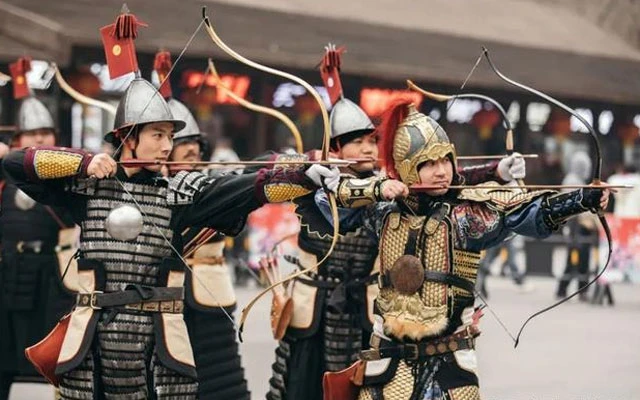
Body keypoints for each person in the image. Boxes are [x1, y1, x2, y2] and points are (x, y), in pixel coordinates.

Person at [2, 77, 333, 399]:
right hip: (92, 342)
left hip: (157, 344)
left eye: (170, 136)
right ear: (127, 137)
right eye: (157, 134)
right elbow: (15, 164)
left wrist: (301, 177)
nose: (166, 146)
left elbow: (245, 187)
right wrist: (82, 163)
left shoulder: (177, 193)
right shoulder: (86, 189)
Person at [266, 62, 526, 399]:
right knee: (303, 384)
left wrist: (495, 171)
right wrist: (306, 167)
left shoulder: (387, 187)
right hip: (314, 303)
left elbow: (440, 181)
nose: (367, 149)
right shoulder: (316, 177)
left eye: (372, 141)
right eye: (357, 142)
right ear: (335, 149)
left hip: (366, 305)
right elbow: (271, 176)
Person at [316, 99, 609, 399]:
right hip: (388, 364)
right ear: (406, 169)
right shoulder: (383, 212)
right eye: (428, 164)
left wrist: (581, 199)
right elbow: (330, 206)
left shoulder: (464, 216)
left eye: (446, 160)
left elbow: (525, 213)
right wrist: (334, 181)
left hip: (448, 367)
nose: (441, 171)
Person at [166, 96, 250, 399]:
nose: (192, 149)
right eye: (182, 142)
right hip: (165, 295)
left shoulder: (213, 185)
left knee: (219, 377)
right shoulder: (150, 187)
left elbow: (250, 184)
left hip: (209, 292)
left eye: (196, 142)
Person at [0, 94, 76, 400]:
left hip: (52, 276)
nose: (40, 139)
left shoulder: (66, 174)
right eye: (32, 133)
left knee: (53, 357)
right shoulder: (4, 173)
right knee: (3, 353)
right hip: (7, 272)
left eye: (45, 133)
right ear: (18, 139)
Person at [556, 151, 599, 301]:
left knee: (583, 258)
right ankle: (565, 288)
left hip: (582, 226)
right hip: (574, 225)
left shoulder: (579, 180)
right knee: (574, 258)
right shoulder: (571, 181)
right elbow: (572, 206)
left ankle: (580, 289)